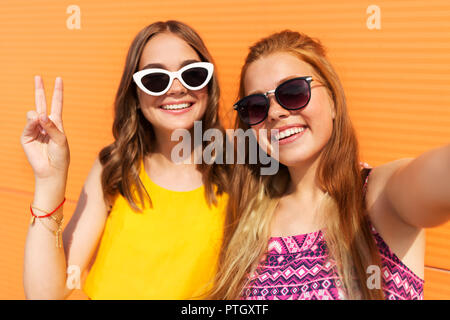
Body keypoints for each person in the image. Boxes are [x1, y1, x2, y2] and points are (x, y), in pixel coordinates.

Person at [210, 30, 450, 300]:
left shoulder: (377, 198)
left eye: (293, 92)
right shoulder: (250, 216)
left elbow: (439, 176)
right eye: (255, 106)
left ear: (334, 101)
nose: (275, 112)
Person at [21, 20, 229, 299]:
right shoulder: (115, 166)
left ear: (208, 83)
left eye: (192, 74)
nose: (177, 88)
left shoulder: (238, 171)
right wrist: (49, 181)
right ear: (136, 92)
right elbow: (52, 294)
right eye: (156, 79)